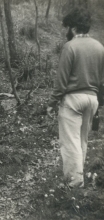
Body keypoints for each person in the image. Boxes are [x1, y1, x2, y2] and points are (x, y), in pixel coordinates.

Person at [47, 7, 104, 188]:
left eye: (67, 28)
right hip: (92, 99)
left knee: (70, 142)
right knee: (82, 140)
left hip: (73, 100)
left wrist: (52, 102)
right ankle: (78, 178)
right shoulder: (100, 47)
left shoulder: (70, 46)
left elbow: (62, 80)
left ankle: (74, 182)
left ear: (72, 28)